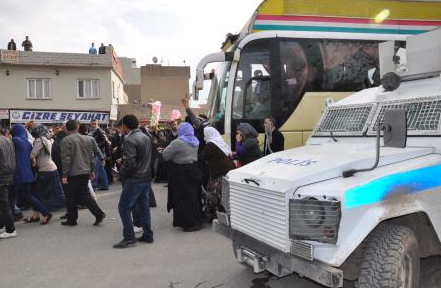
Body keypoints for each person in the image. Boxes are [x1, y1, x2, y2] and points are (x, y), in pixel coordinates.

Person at [114, 114, 154, 249]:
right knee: (144, 207)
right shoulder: (145, 136)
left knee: (124, 207)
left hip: (134, 179)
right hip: (145, 177)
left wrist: (121, 173)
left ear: (125, 125)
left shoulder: (129, 139)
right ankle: (148, 234)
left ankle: (129, 237)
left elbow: (130, 163)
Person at [60, 120, 106, 226]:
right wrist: (91, 170)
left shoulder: (66, 140)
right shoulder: (87, 139)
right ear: (78, 127)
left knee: (71, 195)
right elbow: (91, 156)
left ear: (66, 128)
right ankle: (98, 213)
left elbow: (66, 159)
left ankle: (72, 219)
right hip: (85, 170)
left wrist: (64, 175)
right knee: (84, 194)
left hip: (73, 172)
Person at [162, 122, 203, 232]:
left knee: (183, 198)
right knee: (194, 196)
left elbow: (165, 155)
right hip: (194, 169)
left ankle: (189, 223)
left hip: (181, 172)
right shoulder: (196, 141)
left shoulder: (178, 142)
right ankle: (198, 220)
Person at [26, 124, 65, 225]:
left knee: (38, 194)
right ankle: (36, 215)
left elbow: (32, 155)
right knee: (53, 192)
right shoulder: (46, 139)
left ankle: (45, 214)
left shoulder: (40, 140)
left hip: (45, 170)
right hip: (50, 168)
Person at [199, 127, 235, 221]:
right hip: (227, 171)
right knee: (223, 194)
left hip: (219, 173)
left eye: (205, 135)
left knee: (214, 195)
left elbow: (202, 157)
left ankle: (215, 215)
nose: (204, 137)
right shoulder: (219, 141)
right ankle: (223, 214)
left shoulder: (211, 144)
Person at [9, 124, 35, 221]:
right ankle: (45, 211)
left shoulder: (15, 140)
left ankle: (12, 217)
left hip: (17, 173)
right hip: (28, 173)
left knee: (11, 197)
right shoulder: (27, 142)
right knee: (29, 196)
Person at [0, 133, 17, 239]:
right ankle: (3, 226)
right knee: (3, 203)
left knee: (4, 204)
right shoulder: (7, 140)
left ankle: (10, 229)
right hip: (8, 173)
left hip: (1, 174)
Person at [89, 119, 109, 191]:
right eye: (92, 124)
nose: (94, 125)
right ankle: (105, 185)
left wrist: (96, 145)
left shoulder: (100, 131)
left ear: (97, 124)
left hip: (99, 152)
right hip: (95, 152)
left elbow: (105, 142)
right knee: (101, 170)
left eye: (95, 124)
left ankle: (94, 186)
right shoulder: (91, 131)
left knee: (95, 169)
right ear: (90, 124)